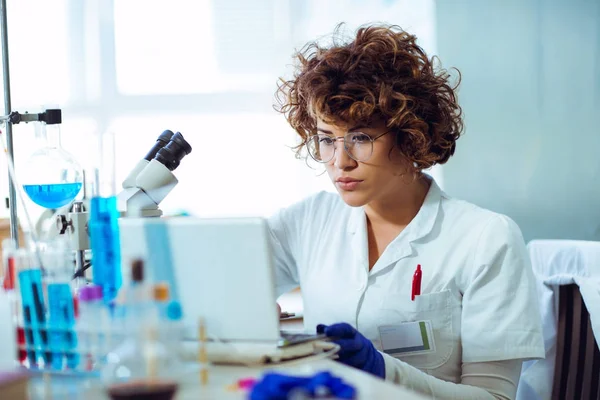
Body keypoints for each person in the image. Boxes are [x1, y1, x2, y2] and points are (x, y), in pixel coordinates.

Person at [269, 24, 544, 399]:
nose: (339, 162)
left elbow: (493, 397)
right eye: (326, 140)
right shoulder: (306, 222)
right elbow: (213, 284)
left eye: (361, 138)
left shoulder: (485, 239)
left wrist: (384, 371)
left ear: (410, 133)